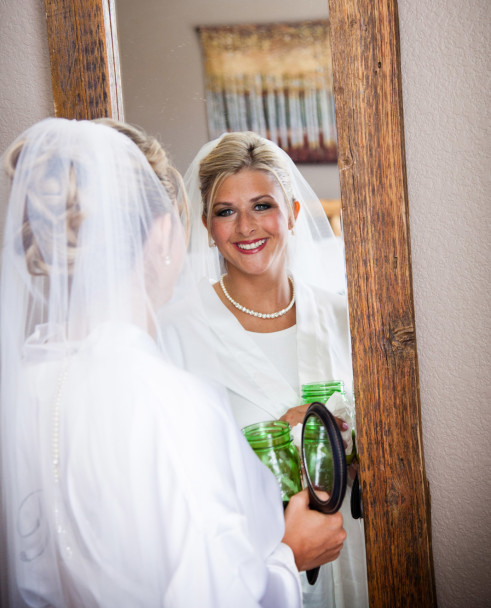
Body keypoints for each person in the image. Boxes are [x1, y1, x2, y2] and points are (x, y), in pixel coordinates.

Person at [0, 118, 346, 608]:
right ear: (168, 233)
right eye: (224, 212)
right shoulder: (173, 403)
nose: (245, 225)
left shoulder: (22, 388)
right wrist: (288, 556)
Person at [184, 131, 369, 608]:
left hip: (355, 557)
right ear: (207, 225)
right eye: (226, 211)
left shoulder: (346, 319)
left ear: (294, 212)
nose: (246, 226)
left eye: (262, 205)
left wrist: (340, 437)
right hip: (243, 573)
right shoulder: (178, 328)